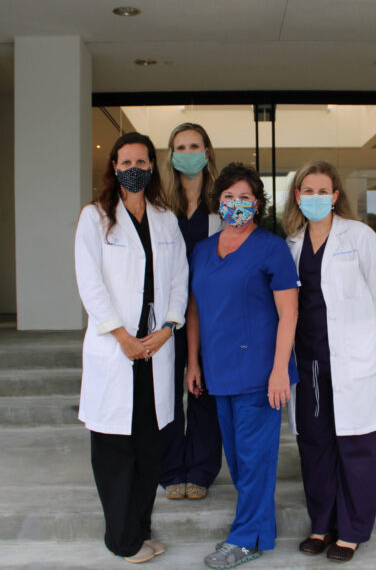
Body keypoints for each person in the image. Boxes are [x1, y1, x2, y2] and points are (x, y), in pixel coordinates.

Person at [74, 132, 188, 564]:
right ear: (114, 168)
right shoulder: (95, 217)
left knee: (148, 449)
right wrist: (120, 336)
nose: (133, 168)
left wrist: (168, 328)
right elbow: (90, 283)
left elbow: (180, 278)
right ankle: (122, 541)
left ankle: (140, 529)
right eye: (125, 162)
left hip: (155, 350)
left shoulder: (165, 218)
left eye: (141, 160)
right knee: (114, 451)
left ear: (153, 166)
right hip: (116, 350)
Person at [283, 160, 376, 563]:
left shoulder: (359, 236)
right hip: (310, 360)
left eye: (322, 191)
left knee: (356, 445)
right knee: (314, 445)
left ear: (335, 196)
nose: (315, 198)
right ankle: (322, 524)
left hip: (352, 360)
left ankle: (351, 529)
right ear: (298, 196)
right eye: (307, 191)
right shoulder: (291, 243)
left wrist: (362, 334)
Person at [186, 162, 299, 569]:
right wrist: (193, 362)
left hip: (260, 373)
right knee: (238, 460)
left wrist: (279, 370)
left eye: (245, 197)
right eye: (229, 197)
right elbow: (194, 309)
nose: (236, 204)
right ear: (219, 201)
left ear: (258, 203)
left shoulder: (272, 248)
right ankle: (259, 533)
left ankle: (244, 539)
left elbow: (289, 313)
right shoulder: (202, 250)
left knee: (255, 460)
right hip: (219, 370)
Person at [160, 122, 223, 501]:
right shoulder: (160, 208)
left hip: (210, 315)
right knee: (166, 392)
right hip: (169, 315)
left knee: (204, 391)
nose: (187, 153)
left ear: (207, 152)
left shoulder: (220, 208)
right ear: (170, 155)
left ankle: (200, 469)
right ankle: (170, 470)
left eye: (194, 146)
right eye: (180, 147)